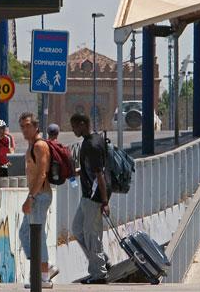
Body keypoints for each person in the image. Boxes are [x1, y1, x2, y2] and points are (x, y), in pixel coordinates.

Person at [18, 112, 59, 289]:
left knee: (37, 235)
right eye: (22, 126)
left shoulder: (40, 146)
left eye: (28, 125)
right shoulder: (31, 146)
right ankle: (45, 268)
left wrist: (31, 198)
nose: (25, 129)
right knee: (25, 233)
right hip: (36, 195)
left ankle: (43, 276)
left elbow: (42, 173)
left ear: (36, 127)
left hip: (40, 196)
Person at [70, 113, 111, 284]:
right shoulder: (91, 140)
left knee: (92, 235)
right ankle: (101, 261)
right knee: (78, 229)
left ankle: (99, 274)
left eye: (74, 127)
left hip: (94, 198)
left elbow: (99, 175)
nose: (73, 130)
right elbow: (92, 169)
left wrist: (104, 202)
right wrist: (76, 173)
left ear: (82, 124)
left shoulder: (92, 145)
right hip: (87, 196)